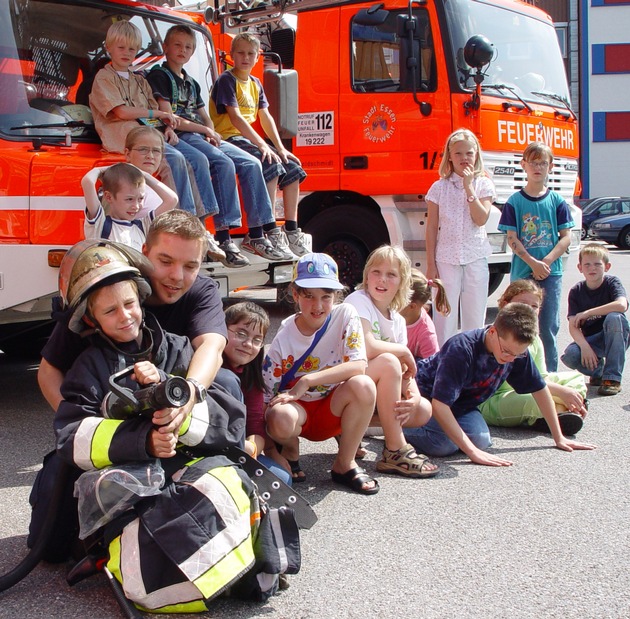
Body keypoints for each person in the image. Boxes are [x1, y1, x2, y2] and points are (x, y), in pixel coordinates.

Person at [51, 243, 274, 612]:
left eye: (129, 303)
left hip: (186, 471)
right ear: (91, 320)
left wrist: (180, 411)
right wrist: (144, 441)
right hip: (128, 490)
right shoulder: (87, 368)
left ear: (141, 298)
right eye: (110, 310)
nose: (124, 316)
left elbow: (229, 418)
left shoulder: (176, 349)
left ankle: (217, 573)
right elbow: (72, 436)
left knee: (227, 479)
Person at [38, 210, 232, 415]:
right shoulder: (108, 286)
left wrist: (188, 396)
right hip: (110, 408)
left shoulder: (201, 291)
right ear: (144, 252)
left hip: (173, 402)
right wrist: (77, 423)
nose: (177, 276)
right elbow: (49, 370)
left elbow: (212, 347)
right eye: (166, 262)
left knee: (226, 382)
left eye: (190, 266)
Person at [147, 25, 292, 265]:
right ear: (165, 48)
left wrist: (210, 131)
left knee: (247, 162)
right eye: (177, 45)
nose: (183, 51)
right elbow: (169, 117)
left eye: (188, 47)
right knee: (204, 161)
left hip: (200, 133)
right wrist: (205, 130)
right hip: (182, 134)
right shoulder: (159, 75)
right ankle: (209, 232)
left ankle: (257, 233)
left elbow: (203, 114)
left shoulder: (191, 82)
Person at [402, 303, 596, 465]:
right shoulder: (462, 349)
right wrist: (472, 453)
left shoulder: (515, 352)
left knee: (481, 440)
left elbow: (539, 388)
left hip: (461, 406)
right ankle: (393, 426)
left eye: (517, 354)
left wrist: (558, 437)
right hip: (425, 400)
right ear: (493, 332)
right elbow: (440, 404)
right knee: (444, 445)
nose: (510, 358)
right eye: (506, 351)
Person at [88, 20, 222, 242]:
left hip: (147, 135)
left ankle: (200, 224)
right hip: (123, 137)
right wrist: (159, 116)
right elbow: (121, 112)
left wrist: (166, 127)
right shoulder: (103, 78)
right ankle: (185, 227)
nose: (127, 53)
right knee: (174, 159)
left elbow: (150, 111)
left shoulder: (139, 80)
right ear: (109, 47)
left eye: (132, 49)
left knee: (194, 159)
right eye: (121, 48)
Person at [263, 253, 380, 495]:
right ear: (295, 295)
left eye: (326, 297)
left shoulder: (345, 314)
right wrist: (270, 451)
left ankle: (344, 463)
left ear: (336, 297)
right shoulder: (283, 338)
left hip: (332, 408)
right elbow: (266, 395)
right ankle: (291, 451)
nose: (318, 306)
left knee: (364, 385)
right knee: (278, 415)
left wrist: (307, 380)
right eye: (309, 296)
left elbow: (358, 365)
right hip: (299, 414)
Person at [210, 33, 309, 258]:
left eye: (250, 54)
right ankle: (264, 229)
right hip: (229, 138)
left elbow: (266, 117)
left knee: (293, 170)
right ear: (232, 55)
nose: (245, 57)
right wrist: (262, 145)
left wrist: (280, 147)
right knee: (270, 164)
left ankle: (291, 229)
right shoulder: (227, 80)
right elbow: (235, 118)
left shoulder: (255, 83)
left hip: (248, 138)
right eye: (240, 53)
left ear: (258, 58)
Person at [345, 246, 438, 478]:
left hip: (372, 390)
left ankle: (354, 428)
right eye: (376, 272)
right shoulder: (358, 301)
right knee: (388, 361)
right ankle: (395, 450)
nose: (382, 280)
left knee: (422, 409)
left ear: (402, 282)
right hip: (343, 385)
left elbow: (405, 369)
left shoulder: (396, 319)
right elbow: (366, 347)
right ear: (366, 276)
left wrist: (413, 394)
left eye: (391, 274)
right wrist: (403, 351)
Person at [498, 141, 574, 371]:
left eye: (543, 162)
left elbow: (566, 238)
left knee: (548, 326)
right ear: (524, 165)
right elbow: (512, 238)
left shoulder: (557, 202)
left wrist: (547, 262)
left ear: (550, 166)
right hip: (523, 272)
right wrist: (532, 262)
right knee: (517, 326)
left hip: (551, 273)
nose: (538, 167)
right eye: (533, 162)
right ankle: (515, 372)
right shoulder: (514, 202)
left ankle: (549, 376)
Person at [480, 279, 587, 435]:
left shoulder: (533, 337)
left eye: (534, 306)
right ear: (504, 304)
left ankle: (558, 412)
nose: (529, 310)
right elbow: (526, 382)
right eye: (523, 304)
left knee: (576, 378)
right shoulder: (498, 336)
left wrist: (564, 390)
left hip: (528, 389)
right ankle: (561, 410)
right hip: (497, 398)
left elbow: (541, 376)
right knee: (536, 400)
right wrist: (563, 393)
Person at [425, 128, 496, 346]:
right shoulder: (439, 187)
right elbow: (432, 226)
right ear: (450, 156)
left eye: (469, 153)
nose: (464, 158)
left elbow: (481, 218)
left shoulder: (483, 184)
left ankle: (473, 363)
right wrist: (431, 264)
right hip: (446, 258)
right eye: (458, 154)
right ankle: (441, 363)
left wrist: (469, 189)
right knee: (444, 317)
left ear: (476, 156)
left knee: (474, 316)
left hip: (475, 257)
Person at [123, 126, 225, 262]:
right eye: (143, 149)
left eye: (156, 151)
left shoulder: (155, 187)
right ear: (127, 154)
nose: (150, 156)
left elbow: (172, 200)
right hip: (133, 259)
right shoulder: (122, 187)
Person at [222, 301, 292, 485]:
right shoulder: (211, 367)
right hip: (208, 449)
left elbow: (255, 427)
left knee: (281, 480)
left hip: (237, 450)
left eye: (256, 339)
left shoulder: (251, 377)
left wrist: (251, 448)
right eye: (241, 334)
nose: (248, 344)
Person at [561, 243, 629, 396]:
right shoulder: (576, 291)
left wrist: (588, 313)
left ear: (607, 266)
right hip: (592, 340)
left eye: (597, 264)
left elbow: (621, 305)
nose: (592, 268)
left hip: (615, 336)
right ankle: (598, 371)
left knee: (614, 317)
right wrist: (585, 347)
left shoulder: (612, 283)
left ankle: (612, 378)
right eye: (587, 264)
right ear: (580, 268)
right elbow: (573, 325)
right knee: (570, 356)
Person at [82, 162, 177, 251]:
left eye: (140, 199)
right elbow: (87, 182)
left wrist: (143, 175)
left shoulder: (142, 226)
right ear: (109, 197)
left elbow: (172, 199)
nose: (136, 206)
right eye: (129, 199)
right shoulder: (99, 225)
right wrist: (102, 170)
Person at [400, 268, 450, 359]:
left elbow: (433, 366)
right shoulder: (389, 313)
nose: (390, 299)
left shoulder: (426, 333)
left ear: (412, 306)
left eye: (397, 297)